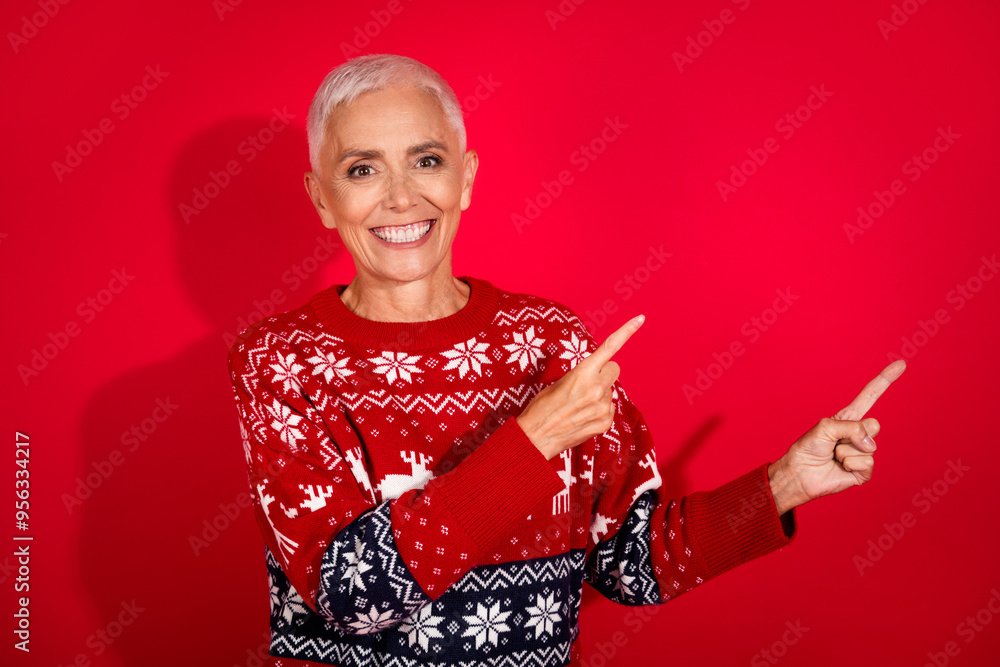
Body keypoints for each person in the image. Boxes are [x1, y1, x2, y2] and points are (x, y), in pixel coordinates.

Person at [226, 53, 906, 667]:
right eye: (363, 168)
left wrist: (785, 482)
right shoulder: (280, 360)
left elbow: (633, 561)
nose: (401, 195)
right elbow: (352, 597)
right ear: (323, 197)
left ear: (466, 179)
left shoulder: (550, 339)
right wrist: (533, 440)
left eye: (427, 160)